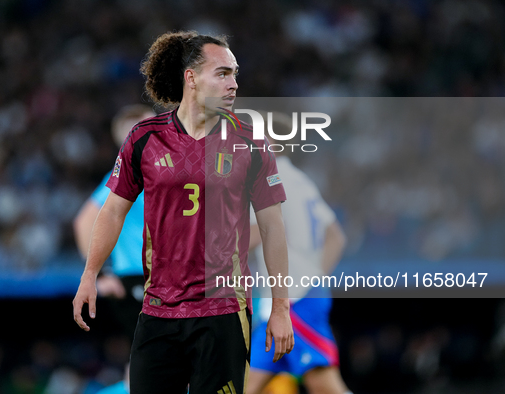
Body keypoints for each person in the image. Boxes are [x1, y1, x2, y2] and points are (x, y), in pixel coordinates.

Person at [72, 31, 294, 394]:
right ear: (191, 77)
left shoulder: (250, 142)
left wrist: (281, 308)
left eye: (235, 74)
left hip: (223, 312)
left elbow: (272, 228)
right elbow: (111, 212)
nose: (234, 84)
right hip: (158, 309)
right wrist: (91, 273)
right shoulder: (144, 138)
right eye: (222, 73)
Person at [246, 113, 352, 394]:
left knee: (325, 386)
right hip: (296, 296)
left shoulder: (265, 179)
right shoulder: (301, 181)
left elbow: (258, 232)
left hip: (294, 301)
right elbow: (336, 237)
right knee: (245, 385)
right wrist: (315, 275)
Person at [73, 105, 154, 394]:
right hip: (133, 276)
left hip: (150, 276)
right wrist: (100, 272)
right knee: (149, 350)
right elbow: (84, 220)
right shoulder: (125, 172)